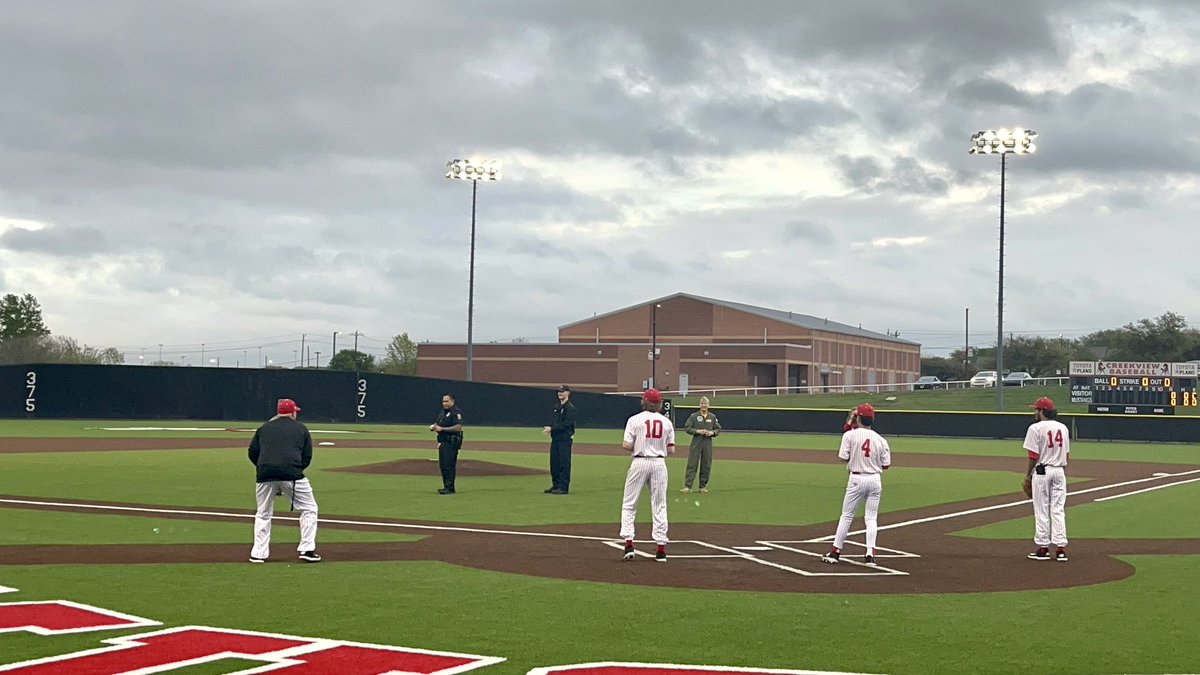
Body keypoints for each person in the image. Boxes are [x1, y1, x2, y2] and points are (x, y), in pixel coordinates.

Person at [248, 398, 320, 563]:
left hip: (265, 474)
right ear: (292, 412)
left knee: (263, 513)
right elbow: (307, 456)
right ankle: (307, 550)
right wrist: (294, 470)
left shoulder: (264, 428)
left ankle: (258, 554)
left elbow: (252, 451)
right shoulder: (301, 429)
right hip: (291, 473)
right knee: (309, 509)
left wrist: (263, 467)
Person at [822, 403, 890, 566]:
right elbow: (885, 465)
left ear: (858, 417)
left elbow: (842, 457)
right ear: (872, 419)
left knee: (847, 516)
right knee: (871, 518)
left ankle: (835, 552)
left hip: (857, 479)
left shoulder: (850, 435)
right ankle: (870, 555)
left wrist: (851, 421)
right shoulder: (881, 440)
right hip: (875, 480)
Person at [619, 388, 676, 562]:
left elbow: (626, 445)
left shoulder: (634, 420)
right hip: (659, 463)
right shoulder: (666, 422)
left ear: (644, 402)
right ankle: (661, 549)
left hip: (640, 461)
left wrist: (641, 444)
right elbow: (671, 450)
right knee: (659, 504)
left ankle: (629, 544)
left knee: (629, 503)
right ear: (659, 404)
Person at [1022, 396, 1070, 562]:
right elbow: (1067, 455)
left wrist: (1028, 476)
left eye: (1036, 409)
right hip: (1059, 471)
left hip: (1042, 472)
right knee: (1058, 509)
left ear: (1042, 411)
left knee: (1042, 509)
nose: (1035, 412)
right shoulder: (1063, 428)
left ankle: (1043, 548)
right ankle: (1061, 549)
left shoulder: (1035, 428)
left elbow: (1033, 456)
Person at [681, 396, 721, 493]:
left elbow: (718, 429)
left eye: (705, 404)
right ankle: (688, 486)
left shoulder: (712, 417)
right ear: (699, 405)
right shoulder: (694, 416)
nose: (704, 405)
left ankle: (702, 486)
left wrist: (712, 433)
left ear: (708, 405)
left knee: (706, 464)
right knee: (692, 463)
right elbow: (687, 428)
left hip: (707, 443)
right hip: (696, 442)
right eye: (702, 403)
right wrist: (697, 431)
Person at [542, 385, 577, 495]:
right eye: (559, 392)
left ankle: (563, 487)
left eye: (562, 392)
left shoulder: (570, 408)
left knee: (564, 463)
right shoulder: (557, 407)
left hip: (565, 439)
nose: (560, 394)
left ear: (568, 393)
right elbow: (555, 421)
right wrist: (551, 428)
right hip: (556, 439)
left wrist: (552, 429)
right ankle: (556, 485)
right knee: (554, 463)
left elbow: (566, 424)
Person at [430, 393, 464, 495]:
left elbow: (458, 427)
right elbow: (438, 424)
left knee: (449, 465)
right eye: (443, 401)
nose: (445, 403)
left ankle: (450, 487)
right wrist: (435, 427)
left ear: (452, 401)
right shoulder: (443, 413)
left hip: (451, 441)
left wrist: (442, 429)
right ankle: (446, 486)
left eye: (447, 401)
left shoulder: (455, 412)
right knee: (443, 465)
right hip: (443, 441)